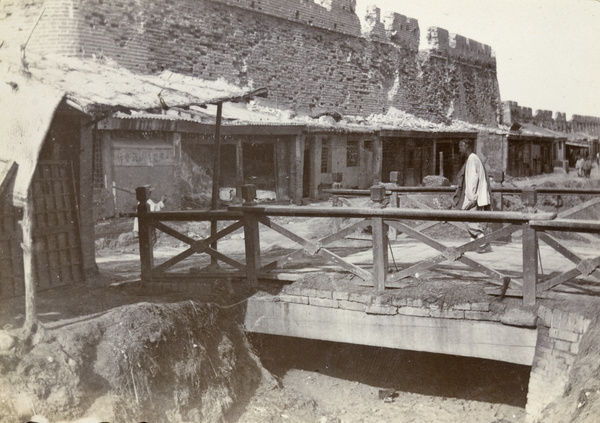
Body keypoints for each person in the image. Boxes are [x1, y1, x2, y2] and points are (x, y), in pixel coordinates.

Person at [454, 139, 492, 253]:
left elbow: (472, 179)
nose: (459, 149)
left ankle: (482, 241)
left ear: (466, 146)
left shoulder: (472, 158)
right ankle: (474, 243)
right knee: (470, 218)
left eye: (461, 147)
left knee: (468, 218)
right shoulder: (472, 158)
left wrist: (471, 198)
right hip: (474, 195)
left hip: (472, 195)